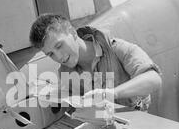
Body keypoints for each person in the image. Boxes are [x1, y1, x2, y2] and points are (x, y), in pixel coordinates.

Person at [29, 13, 162, 111]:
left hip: (137, 125)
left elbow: (154, 79)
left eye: (59, 46)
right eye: (51, 54)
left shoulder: (117, 49)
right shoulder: (65, 73)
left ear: (72, 32)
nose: (58, 57)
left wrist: (113, 93)